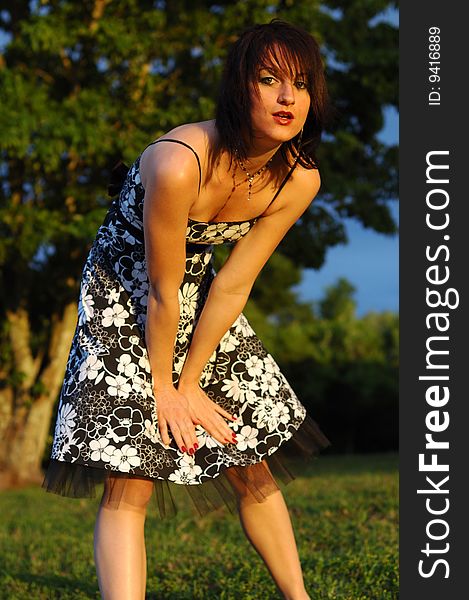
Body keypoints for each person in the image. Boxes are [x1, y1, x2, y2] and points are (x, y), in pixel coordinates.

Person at [42, 18, 333, 600]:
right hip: (123, 296)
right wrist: (164, 387)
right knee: (134, 476)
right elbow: (157, 290)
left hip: (201, 296)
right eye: (269, 78)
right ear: (237, 87)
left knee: (248, 456)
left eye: (299, 84)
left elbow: (232, 284)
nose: (285, 97)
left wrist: (192, 379)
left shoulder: (298, 180)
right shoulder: (179, 162)